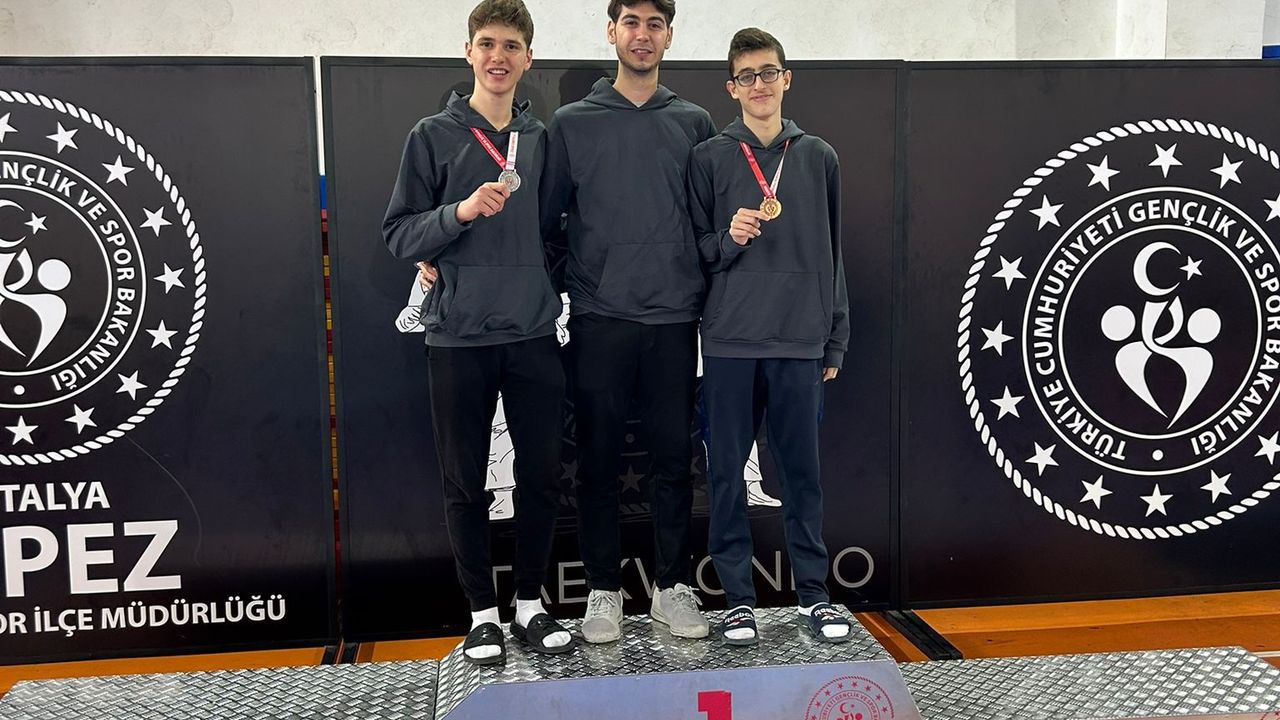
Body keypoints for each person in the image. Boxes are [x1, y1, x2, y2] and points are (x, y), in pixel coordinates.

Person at [382, 0, 572, 665]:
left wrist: (539, 283)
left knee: (540, 477)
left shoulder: (543, 139)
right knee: (466, 483)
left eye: (511, 46)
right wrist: (458, 214)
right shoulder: (432, 136)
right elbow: (399, 233)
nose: (499, 56)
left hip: (532, 335)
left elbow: (558, 232)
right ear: (469, 52)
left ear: (528, 59)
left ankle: (530, 605)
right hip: (458, 338)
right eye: (487, 43)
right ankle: (482, 615)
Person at [539, 0, 714, 643]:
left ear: (669, 35)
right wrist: (575, 291)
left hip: (673, 319)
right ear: (611, 31)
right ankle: (603, 591)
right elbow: (548, 225)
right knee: (598, 463)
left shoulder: (694, 122)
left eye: (654, 24)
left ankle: (673, 587)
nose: (643, 35)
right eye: (631, 23)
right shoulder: (570, 124)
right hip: (599, 320)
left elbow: (706, 222)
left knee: (673, 460)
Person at [687, 27, 853, 646]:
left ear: (786, 79)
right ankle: (737, 601)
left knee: (801, 475)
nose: (759, 84)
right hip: (729, 341)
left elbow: (834, 253)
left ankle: (814, 594)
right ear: (731, 88)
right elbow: (694, 252)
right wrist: (726, 239)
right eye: (746, 76)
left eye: (768, 72)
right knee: (727, 475)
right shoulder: (708, 157)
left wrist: (834, 337)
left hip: (799, 340)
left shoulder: (818, 156)